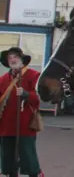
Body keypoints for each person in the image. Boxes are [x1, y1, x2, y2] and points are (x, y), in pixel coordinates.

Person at [0, 47, 43, 177]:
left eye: (15, 57)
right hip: (6, 125)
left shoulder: (34, 75)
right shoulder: (2, 79)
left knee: (28, 156)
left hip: (25, 124)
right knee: (8, 157)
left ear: (22, 60)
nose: (12, 60)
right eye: (10, 58)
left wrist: (26, 94)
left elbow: (40, 97)